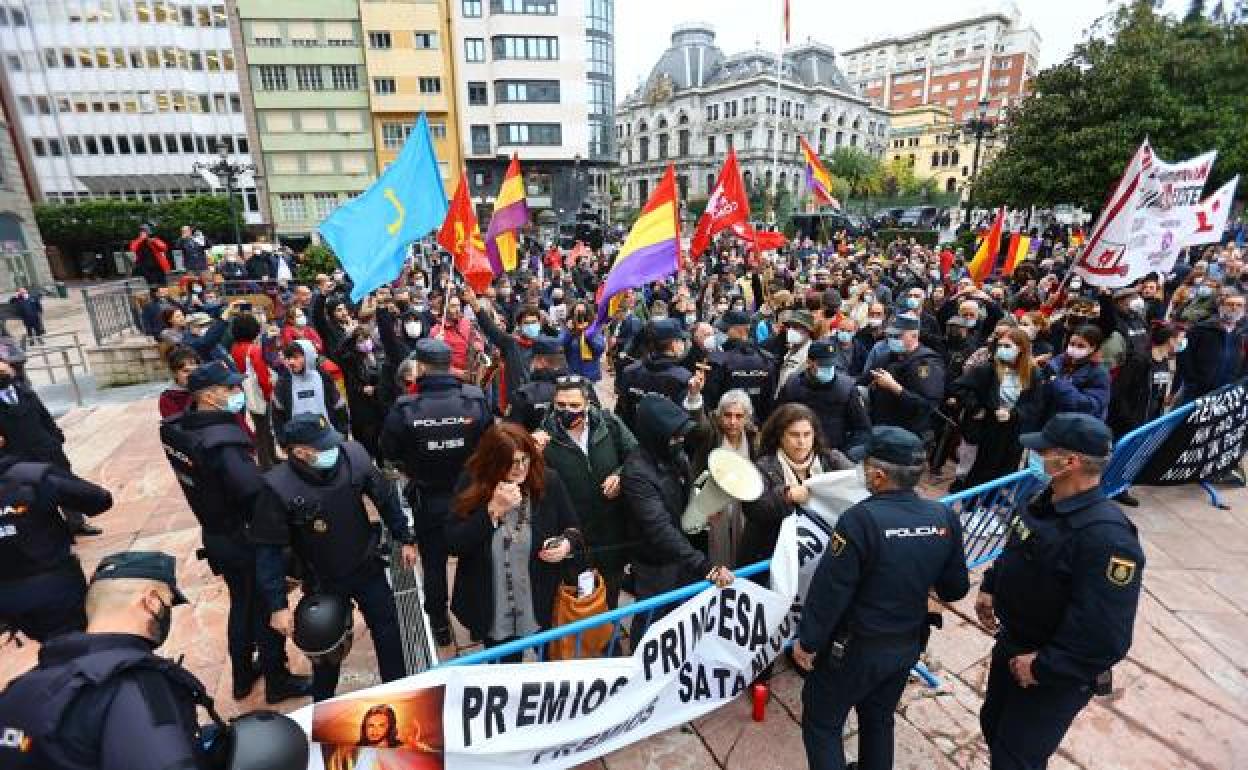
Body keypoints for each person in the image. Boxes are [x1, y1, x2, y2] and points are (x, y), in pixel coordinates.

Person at [792, 426, 970, 770]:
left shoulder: (860, 520)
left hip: (855, 649)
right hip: (906, 645)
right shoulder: (943, 517)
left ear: (878, 475)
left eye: (865, 467)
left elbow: (831, 591)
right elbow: (955, 589)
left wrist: (808, 642)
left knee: (822, 724)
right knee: (878, 717)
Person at [977, 413, 1145, 770]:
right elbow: (1016, 547)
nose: (1036, 457)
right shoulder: (1043, 499)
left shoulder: (1107, 538)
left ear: (1069, 462)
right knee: (992, 726)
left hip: (1051, 672)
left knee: (1016, 759)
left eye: (1044, 452)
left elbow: (1106, 635)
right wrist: (991, 586)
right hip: (1012, 644)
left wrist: (1044, 667)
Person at [159, 361, 309, 703]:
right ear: (209, 396)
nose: (238, 393)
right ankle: (277, 678)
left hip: (216, 532)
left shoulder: (178, 429)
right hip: (244, 536)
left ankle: (242, 675)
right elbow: (252, 490)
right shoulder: (221, 443)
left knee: (241, 605)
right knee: (266, 607)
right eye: (230, 389)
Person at [252, 414, 417, 702]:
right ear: (300, 452)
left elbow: (385, 498)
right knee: (324, 644)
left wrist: (405, 538)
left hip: (366, 564)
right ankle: (323, 705)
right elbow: (268, 551)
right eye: (323, 447)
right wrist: (276, 605)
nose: (334, 451)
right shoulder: (277, 488)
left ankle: (399, 692)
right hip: (323, 579)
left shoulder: (353, 457)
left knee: (388, 630)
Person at [379, 339, 491, 648]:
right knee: (475, 560)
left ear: (422, 367)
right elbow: (490, 444)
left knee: (435, 565)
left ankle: (440, 624)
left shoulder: (405, 407)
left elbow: (388, 450)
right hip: (470, 495)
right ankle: (477, 622)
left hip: (430, 498)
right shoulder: (474, 399)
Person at [446, 422, 579, 661]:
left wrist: (566, 545)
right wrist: (491, 512)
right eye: (510, 462)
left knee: (549, 667)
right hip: (495, 608)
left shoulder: (548, 481)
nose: (519, 469)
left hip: (540, 604)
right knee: (505, 671)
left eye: (524, 460)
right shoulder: (472, 482)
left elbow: (573, 528)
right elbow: (454, 543)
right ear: (493, 462)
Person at [621, 394, 734, 644]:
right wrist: (702, 565)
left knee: (680, 615)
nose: (679, 441)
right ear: (655, 435)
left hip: (683, 555)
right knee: (652, 619)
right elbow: (659, 528)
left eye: (681, 435)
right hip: (655, 563)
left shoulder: (675, 455)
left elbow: (688, 491)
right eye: (674, 436)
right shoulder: (637, 473)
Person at [0, 424, 113, 642]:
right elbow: (99, 500)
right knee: (76, 650)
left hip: (7, 597)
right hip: (56, 591)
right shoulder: (33, 477)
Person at [535, 375, 638, 608]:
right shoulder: (543, 437)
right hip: (573, 533)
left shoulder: (609, 424)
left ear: (588, 404)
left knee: (610, 587)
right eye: (561, 405)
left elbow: (635, 455)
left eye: (574, 405)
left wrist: (620, 475)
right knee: (577, 595)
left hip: (611, 530)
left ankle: (606, 635)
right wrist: (533, 456)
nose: (567, 411)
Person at [741, 403, 854, 570]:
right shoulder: (762, 466)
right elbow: (754, 508)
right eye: (794, 435)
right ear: (780, 436)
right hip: (772, 556)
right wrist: (787, 496)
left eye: (807, 434)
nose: (802, 442)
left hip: (824, 556)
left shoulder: (832, 459)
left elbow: (859, 483)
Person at [0, 351, 101, 537]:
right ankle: (54, 531)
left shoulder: (25, 391)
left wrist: (56, 439)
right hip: (20, 457)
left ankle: (76, 523)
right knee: (37, 493)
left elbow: (44, 417)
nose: (5, 369)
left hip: (47, 448)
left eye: (4, 366)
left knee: (65, 482)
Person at [951, 327, 1051, 490]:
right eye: (1001, 345)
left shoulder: (1033, 374)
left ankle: (987, 505)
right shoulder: (988, 368)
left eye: (1008, 346)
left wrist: (1013, 414)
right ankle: (968, 506)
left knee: (1000, 472)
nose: (1002, 349)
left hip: (1011, 432)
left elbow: (1035, 404)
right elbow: (959, 387)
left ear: (1021, 349)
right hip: (985, 426)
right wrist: (977, 407)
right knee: (977, 470)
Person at [683, 386, 759, 568]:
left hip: (742, 509)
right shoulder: (711, 435)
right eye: (728, 415)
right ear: (719, 415)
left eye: (739, 416)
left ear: (747, 418)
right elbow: (698, 425)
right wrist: (694, 396)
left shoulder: (753, 438)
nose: (732, 422)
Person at [775, 340, 871, 457]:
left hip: (834, 453)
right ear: (809, 363)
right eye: (823, 365)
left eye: (831, 365)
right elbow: (777, 420)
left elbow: (862, 429)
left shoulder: (846, 388)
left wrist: (846, 454)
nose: (829, 369)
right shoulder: (793, 385)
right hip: (798, 452)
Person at [861, 314, 946, 441]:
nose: (892, 339)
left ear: (914, 335)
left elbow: (927, 406)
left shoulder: (926, 363)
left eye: (898, 336)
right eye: (891, 335)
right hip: (881, 421)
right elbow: (864, 379)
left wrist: (894, 387)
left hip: (906, 430)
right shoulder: (890, 356)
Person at [615, 319, 694, 431]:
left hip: (633, 437)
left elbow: (621, 410)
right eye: (681, 340)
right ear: (673, 344)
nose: (683, 344)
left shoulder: (630, 371)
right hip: (664, 442)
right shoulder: (682, 378)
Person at [702, 310, 777, 418]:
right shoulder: (766, 359)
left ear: (740, 330)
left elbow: (710, 401)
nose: (720, 333)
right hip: (758, 425)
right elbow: (769, 402)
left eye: (724, 330)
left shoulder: (717, 359)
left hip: (727, 423)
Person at [272, 340, 349, 438]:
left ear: (308, 356)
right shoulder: (283, 382)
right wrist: (283, 440)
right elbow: (278, 415)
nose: (291, 362)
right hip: (299, 443)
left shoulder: (323, 377)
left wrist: (342, 433)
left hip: (327, 436)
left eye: (296, 357)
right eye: (288, 358)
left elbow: (339, 406)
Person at [1179, 289, 1245, 401]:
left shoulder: (1241, 334)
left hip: (1224, 392)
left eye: (1239, 305)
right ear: (1221, 307)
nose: (1234, 308)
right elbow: (1184, 356)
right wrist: (1192, 382)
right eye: (1230, 304)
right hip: (1196, 392)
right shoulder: (1201, 329)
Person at [335, 325, 385, 457]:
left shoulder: (381, 354)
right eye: (360, 341)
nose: (365, 343)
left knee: (380, 436)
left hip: (379, 402)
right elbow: (339, 351)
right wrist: (349, 335)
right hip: (361, 404)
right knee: (366, 437)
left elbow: (387, 379)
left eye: (367, 338)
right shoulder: (351, 359)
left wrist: (376, 388)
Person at [1046, 325, 1110, 419]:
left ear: (1093, 348)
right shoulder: (1061, 359)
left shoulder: (1099, 373)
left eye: (1081, 346)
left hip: (1073, 424)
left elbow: (1089, 406)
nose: (1074, 348)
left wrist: (1058, 383)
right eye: (1072, 344)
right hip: (1052, 417)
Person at [157, 346, 201, 419]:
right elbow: (176, 425)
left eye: (195, 371)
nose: (191, 375)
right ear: (174, 373)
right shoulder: (168, 398)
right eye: (185, 371)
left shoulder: (207, 389)